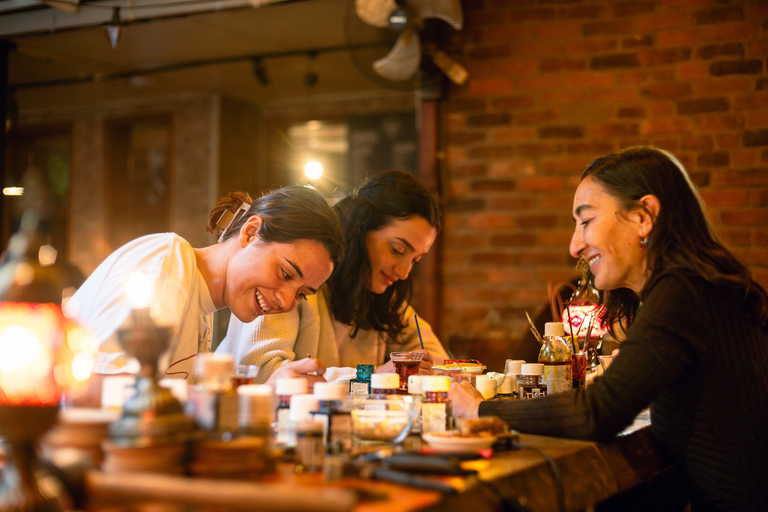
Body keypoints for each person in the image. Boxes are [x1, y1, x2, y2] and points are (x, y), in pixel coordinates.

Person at [450, 146, 768, 511]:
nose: (574, 246)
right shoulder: (704, 285)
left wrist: (480, 410)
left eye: (586, 221)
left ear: (643, 217)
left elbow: (597, 413)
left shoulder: (684, 290)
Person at [69, 186, 344, 390]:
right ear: (250, 233)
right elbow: (104, 395)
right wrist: (261, 396)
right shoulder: (165, 263)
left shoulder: (202, 304)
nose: (285, 301)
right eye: (285, 273)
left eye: (301, 294)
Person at [216, 170, 448, 384]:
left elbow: (437, 359)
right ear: (361, 229)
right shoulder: (293, 284)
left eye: (416, 260)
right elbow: (263, 373)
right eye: (398, 250)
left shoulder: (383, 300)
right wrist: (372, 377)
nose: (404, 272)